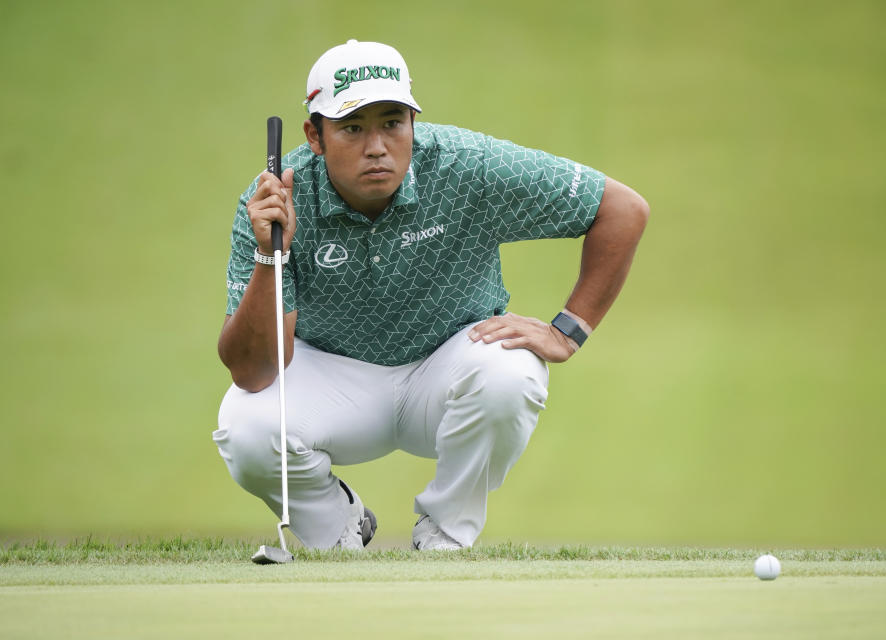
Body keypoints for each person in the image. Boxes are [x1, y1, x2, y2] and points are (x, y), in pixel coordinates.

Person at [213, 39, 650, 551]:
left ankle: (444, 532)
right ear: (315, 135)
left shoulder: (466, 165)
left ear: (413, 124)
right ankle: (338, 533)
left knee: (511, 373)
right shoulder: (274, 201)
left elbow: (622, 209)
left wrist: (567, 330)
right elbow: (256, 372)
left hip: (445, 373)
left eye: (393, 122)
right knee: (245, 428)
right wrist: (271, 256)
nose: (377, 145)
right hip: (332, 379)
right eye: (353, 128)